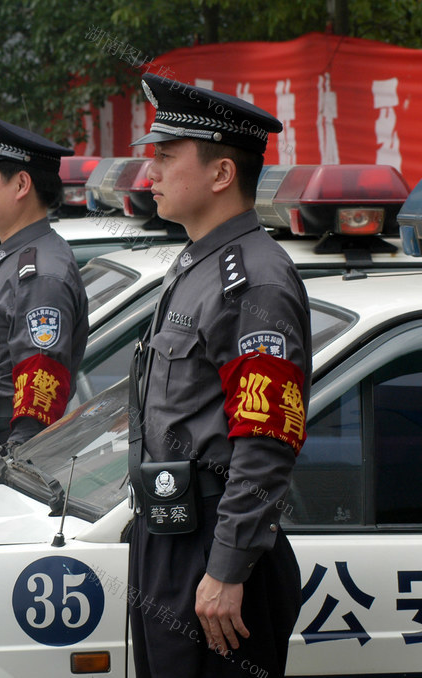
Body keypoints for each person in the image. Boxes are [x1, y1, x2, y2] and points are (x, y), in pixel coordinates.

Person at [126, 74, 311, 678]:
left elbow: (265, 440)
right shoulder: (197, 263)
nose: (148, 173)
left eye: (165, 155)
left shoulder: (253, 281)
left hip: (217, 555)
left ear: (221, 174)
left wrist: (227, 568)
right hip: (171, 540)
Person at [0, 109, 88, 476]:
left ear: (21, 185)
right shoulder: (9, 256)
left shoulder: (41, 274)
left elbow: (38, 402)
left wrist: (9, 470)